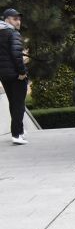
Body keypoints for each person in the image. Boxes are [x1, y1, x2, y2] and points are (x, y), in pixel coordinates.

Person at [1, 8, 28, 145]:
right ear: (6, 20)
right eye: (14, 18)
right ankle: (16, 134)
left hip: (4, 75)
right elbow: (16, 55)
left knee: (13, 103)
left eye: (19, 18)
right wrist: (22, 72)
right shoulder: (13, 34)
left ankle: (20, 130)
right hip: (16, 75)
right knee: (19, 105)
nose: (18, 21)